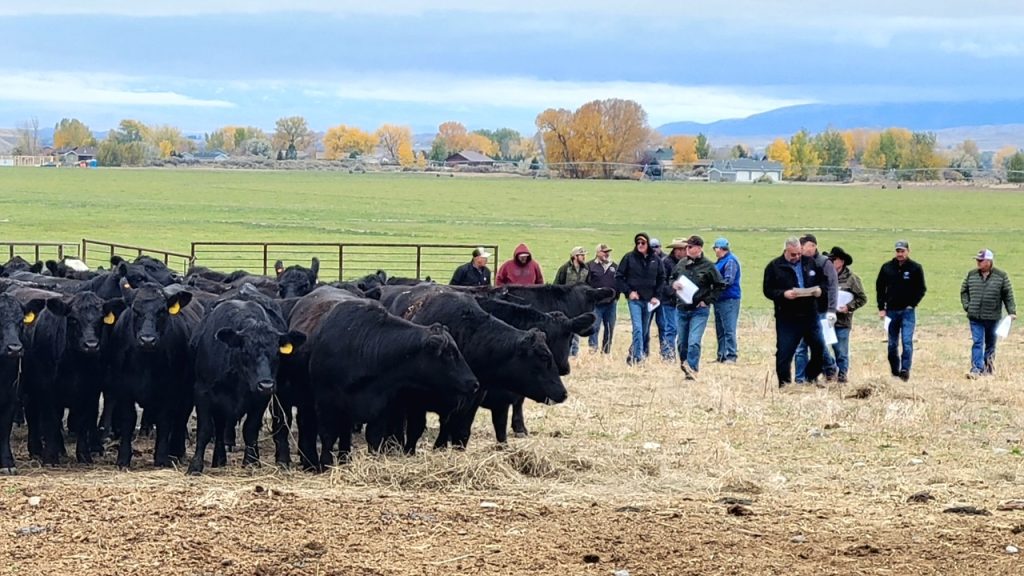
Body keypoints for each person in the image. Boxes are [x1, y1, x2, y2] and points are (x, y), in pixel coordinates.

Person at [763, 236, 826, 387]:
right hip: (787, 317)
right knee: (785, 352)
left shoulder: (810, 262)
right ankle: (785, 385)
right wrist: (783, 294)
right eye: (793, 254)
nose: (797, 257)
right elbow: (768, 290)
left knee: (819, 348)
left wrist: (819, 290)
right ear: (785, 251)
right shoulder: (774, 266)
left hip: (810, 314)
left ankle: (810, 378)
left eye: (799, 253)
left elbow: (823, 282)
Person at [670, 235, 724, 380]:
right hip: (682, 308)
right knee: (682, 343)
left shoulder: (709, 266)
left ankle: (692, 370)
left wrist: (707, 300)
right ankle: (684, 364)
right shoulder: (681, 263)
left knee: (694, 341)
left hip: (699, 310)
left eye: (690, 247)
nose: (687, 249)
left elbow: (719, 285)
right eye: (686, 246)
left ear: (699, 248)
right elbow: (671, 278)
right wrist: (674, 285)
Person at [876, 240, 927, 382]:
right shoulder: (887, 268)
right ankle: (894, 370)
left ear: (908, 251)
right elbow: (880, 288)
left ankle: (905, 370)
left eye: (902, 251)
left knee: (907, 341)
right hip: (891, 311)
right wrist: (881, 307)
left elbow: (921, 288)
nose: (900, 254)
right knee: (892, 344)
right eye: (898, 251)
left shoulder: (915, 268)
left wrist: (913, 304)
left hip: (907, 312)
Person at [960, 248, 1016, 378]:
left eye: (981, 260)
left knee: (990, 344)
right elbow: (964, 291)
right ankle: (976, 369)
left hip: (993, 317)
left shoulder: (1001, 276)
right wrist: (967, 306)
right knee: (978, 342)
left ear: (989, 261)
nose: (978, 263)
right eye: (977, 260)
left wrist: (1011, 312)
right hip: (975, 316)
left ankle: (989, 369)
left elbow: (1008, 295)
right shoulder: (971, 274)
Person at [794, 234, 838, 383]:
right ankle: (801, 379)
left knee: (818, 343)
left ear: (813, 246)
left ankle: (830, 367)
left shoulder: (824, 263)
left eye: (803, 245)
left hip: (820, 310)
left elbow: (832, 287)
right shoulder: (798, 263)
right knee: (800, 346)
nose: (801, 248)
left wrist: (832, 309)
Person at [615, 232, 664, 365]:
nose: (640, 245)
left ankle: (633, 353)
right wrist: (629, 292)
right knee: (637, 328)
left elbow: (661, 278)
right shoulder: (629, 258)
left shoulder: (656, 260)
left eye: (643, 243)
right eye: (638, 243)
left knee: (644, 329)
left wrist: (656, 296)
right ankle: (638, 357)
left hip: (649, 300)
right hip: (635, 300)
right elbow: (619, 276)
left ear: (648, 244)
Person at [826, 246, 867, 383]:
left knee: (841, 351)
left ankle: (842, 376)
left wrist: (849, 307)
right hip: (826, 319)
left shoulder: (852, 279)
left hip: (843, 320)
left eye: (834, 259)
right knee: (821, 348)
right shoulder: (825, 276)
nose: (831, 261)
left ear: (841, 261)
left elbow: (862, 298)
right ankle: (830, 369)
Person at [554, 246, 590, 356]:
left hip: (578, 304)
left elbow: (588, 286)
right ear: (575, 256)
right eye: (582, 255)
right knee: (565, 327)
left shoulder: (586, 269)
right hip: (565, 303)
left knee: (576, 327)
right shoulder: (565, 268)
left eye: (584, 255)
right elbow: (556, 285)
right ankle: (565, 351)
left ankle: (574, 352)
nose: (584, 257)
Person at [712, 237, 741, 364]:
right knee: (720, 329)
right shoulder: (720, 261)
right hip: (719, 299)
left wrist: (714, 286)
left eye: (716, 248)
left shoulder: (730, 261)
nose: (715, 251)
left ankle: (731, 355)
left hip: (729, 298)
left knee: (729, 328)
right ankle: (721, 355)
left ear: (721, 249)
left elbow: (728, 280)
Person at [587, 243, 618, 354]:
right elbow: (586, 284)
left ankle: (606, 351)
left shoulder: (614, 266)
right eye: (604, 251)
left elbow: (619, 282)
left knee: (610, 328)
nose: (607, 253)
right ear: (598, 252)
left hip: (611, 303)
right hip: (596, 303)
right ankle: (593, 350)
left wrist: (616, 296)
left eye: (608, 251)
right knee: (594, 327)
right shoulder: (590, 266)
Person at [648, 238, 675, 360]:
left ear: (660, 247)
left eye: (657, 246)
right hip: (649, 298)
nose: (655, 249)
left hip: (663, 299)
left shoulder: (666, 260)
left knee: (664, 326)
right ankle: (644, 350)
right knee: (645, 326)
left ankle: (665, 352)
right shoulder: (645, 259)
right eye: (652, 247)